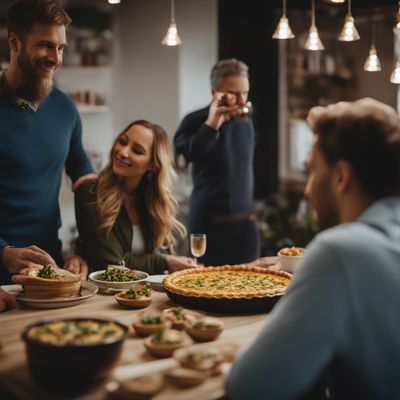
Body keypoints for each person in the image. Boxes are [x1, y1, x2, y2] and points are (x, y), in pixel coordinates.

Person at [227, 98, 400, 399]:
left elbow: (251, 386)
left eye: (311, 171)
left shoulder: (340, 252)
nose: (308, 189)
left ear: (341, 176)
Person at [0, 0, 95, 285]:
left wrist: (83, 249)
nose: (55, 58)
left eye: (60, 48)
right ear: (15, 42)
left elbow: (82, 170)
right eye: (45, 45)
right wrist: (4, 252)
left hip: (51, 266)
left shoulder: (65, 108)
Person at [74, 120, 197, 276]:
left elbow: (164, 254)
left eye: (137, 150)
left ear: (153, 164)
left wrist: (166, 260)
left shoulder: (153, 201)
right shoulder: (90, 191)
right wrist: (165, 261)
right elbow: (110, 264)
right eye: (122, 141)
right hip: (104, 296)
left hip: (147, 295)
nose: (123, 152)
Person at [174, 58, 260, 266]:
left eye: (245, 93)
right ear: (215, 92)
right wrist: (212, 124)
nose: (241, 100)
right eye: (234, 93)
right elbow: (185, 156)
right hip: (207, 225)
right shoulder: (195, 120)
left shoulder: (246, 120)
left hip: (245, 225)